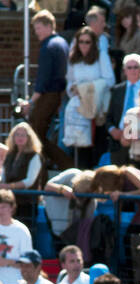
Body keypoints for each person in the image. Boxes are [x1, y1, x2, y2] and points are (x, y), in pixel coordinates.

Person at [22, 11, 70, 174]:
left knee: (35, 136)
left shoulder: (48, 47)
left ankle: (64, 166)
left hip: (48, 95)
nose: (37, 33)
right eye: (35, 29)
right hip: (57, 94)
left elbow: (43, 78)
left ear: (50, 26)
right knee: (39, 135)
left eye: (39, 28)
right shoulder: (62, 43)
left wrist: (31, 101)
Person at [64, 25, 115, 169]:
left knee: (98, 144)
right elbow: (70, 82)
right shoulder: (74, 59)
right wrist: (74, 90)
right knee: (81, 147)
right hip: (81, 109)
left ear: (93, 43)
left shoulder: (101, 56)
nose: (84, 45)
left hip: (98, 108)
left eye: (87, 42)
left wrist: (87, 88)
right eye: (81, 41)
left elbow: (110, 80)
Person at [0, 192, 33, 284]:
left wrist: (7, 262)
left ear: (12, 207)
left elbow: (28, 261)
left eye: (3, 207)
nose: (0, 211)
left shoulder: (21, 230)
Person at [0, 123, 44, 198]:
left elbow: (29, 181)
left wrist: (9, 186)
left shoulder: (34, 155)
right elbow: (4, 176)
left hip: (27, 200)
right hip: (8, 199)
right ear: (13, 137)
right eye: (17, 134)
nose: (20, 137)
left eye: (23, 135)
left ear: (29, 138)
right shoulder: (10, 154)